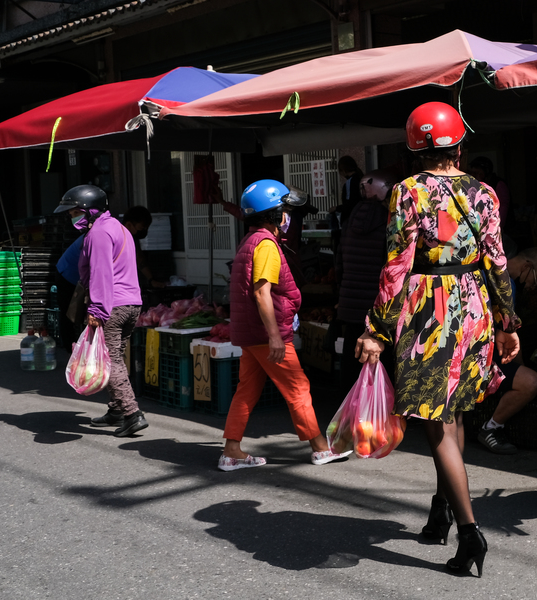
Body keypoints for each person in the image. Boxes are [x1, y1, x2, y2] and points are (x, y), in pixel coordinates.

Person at [356, 102, 521, 577]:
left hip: (430, 310)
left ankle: (470, 532)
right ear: (459, 146)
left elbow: (396, 265)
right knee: (453, 415)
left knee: (436, 423)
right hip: (474, 308)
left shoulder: (409, 191)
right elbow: (499, 263)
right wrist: (507, 322)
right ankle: (441, 509)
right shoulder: (484, 192)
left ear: (414, 149)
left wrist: (377, 328)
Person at [219, 179, 351, 471]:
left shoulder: (249, 241)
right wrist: (275, 337)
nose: (287, 216)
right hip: (266, 334)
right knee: (298, 387)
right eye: (285, 210)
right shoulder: (265, 244)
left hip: (250, 334)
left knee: (247, 390)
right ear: (276, 214)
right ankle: (319, 448)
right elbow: (261, 291)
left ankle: (231, 450)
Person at [54, 185, 147, 437]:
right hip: (131, 304)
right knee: (113, 356)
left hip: (112, 306)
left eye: (75, 212)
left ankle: (131, 413)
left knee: (111, 359)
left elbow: (101, 274)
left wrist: (96, 309)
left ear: (91, 210)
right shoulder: (118, 227)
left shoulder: (98, 233)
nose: (72, 217)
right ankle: (116, 410)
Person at [477, 248, 537, 454]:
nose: (533, 287)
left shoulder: (496, 277)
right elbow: (508, 335)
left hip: (480, 353)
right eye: (535, 280)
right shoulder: (503, 283)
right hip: (477, 356)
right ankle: (490, 429)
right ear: (527, 266)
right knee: (531, 382)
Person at [335, 169, 393, 393]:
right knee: (382, 363)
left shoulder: (350, 221)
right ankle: (381, 415)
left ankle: (350, 412)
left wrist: (343, 292)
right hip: (377, 304)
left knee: (352, 359)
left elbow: (339, 261)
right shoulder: (389, 222)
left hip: (350, 304)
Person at [467, 156, 516, 257]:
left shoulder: (498, 185)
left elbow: (502, 212)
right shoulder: (475, 186)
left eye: (477, 173)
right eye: (472, 173)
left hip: (500, 234)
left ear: (486, 173)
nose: (474, 176)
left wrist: (494, 231)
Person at [121, 206, 166, 289]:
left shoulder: (133, 238)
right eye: (141, 228)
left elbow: (139, 258)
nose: (144, 231)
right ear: (129, 224)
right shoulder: (116, 237)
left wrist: (151, 280)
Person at [55, 233, 84, 351]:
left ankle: (75, 346)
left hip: (76, 275)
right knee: (68, 312)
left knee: (76, 313)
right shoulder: (91, 238)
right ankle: (70, 347)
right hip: (66, 274)